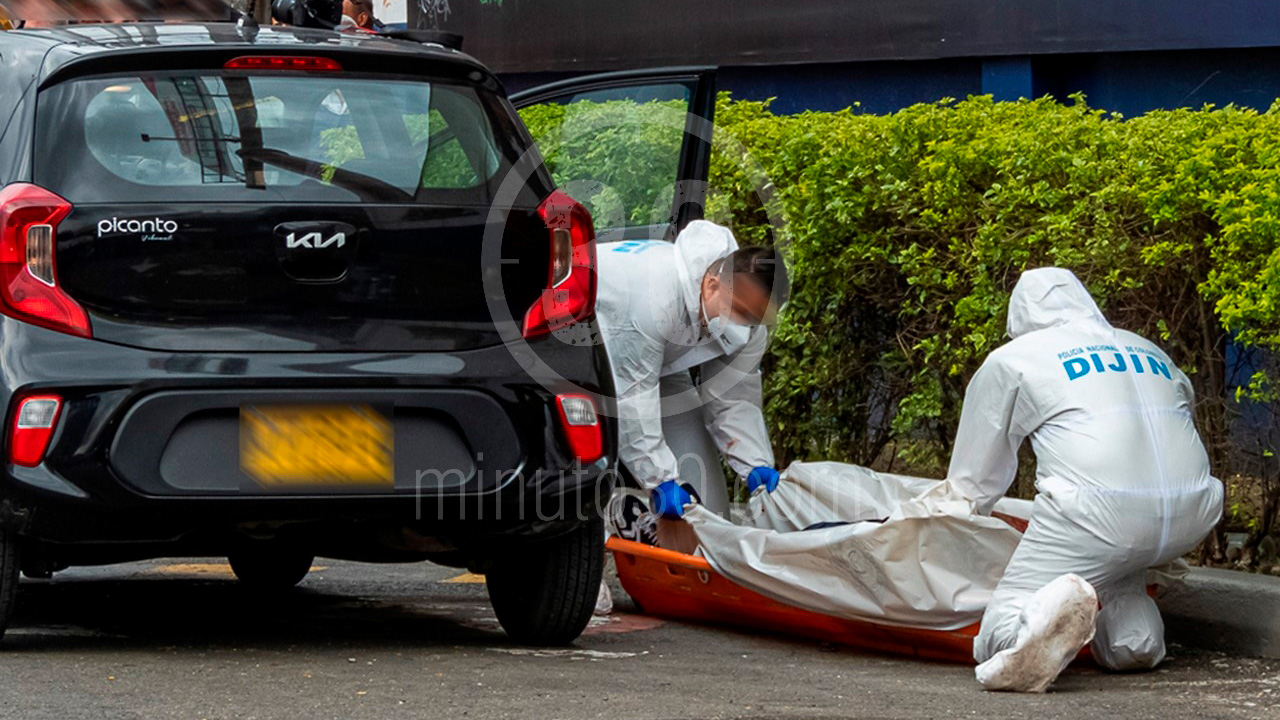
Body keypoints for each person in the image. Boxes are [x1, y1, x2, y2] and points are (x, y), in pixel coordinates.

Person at [944, 267, 1223, 692]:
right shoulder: (1148, 349)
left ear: (1019, 317)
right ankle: (1137, 644)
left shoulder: (1016, 358)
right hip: (1193, 512)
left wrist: (950, 522)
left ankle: (1023, 638)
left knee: (998, 627)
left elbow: (974, 480)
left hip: (1096, 513)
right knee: (1118, 567)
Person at [596, 221, 789, 526]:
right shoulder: (653, 298)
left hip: (658, 366)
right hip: (585, 355)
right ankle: (617, 516)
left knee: (707, 511)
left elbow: (732, 398)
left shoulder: (750, 327)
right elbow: (632, 393)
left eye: (752, 317)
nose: (740, 325)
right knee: (579, 475)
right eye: (736, 310)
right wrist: (659, 479)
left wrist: (755, 465)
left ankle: (658, 538)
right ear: (712, 284)